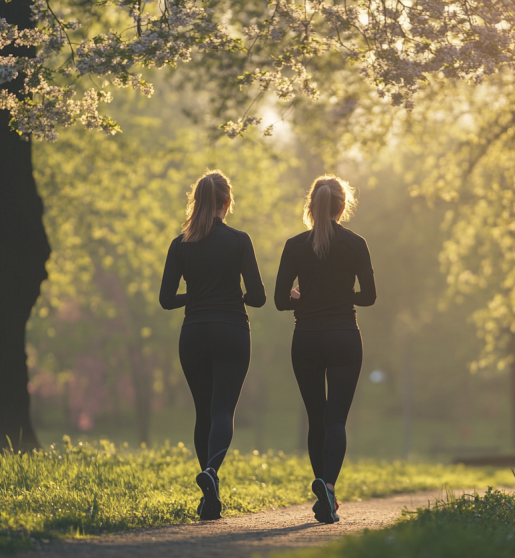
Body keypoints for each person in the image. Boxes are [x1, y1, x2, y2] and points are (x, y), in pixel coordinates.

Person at [159, 170, 265, 520]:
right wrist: (234, 294)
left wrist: (198, 294)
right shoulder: (239, 240)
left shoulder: (181, 244)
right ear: (227, 201)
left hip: (194, 333)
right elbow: (259, 297)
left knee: (203, 411)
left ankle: (209, 498)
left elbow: (166, 299)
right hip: (232, 329)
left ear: (198, 201)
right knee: (223, 411)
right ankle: (212, 473)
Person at [274, 175, 376, 524]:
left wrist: (306, 298)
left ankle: (323, 489)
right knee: (336, 420)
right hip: (345, 336)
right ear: (342, 206)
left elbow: (278, 300)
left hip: (306, 339)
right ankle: (328, 488)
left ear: (312, 205)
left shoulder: (294, 245)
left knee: (315, 418)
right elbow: (370, 296)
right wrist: (342, 297)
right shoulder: (356, 243)